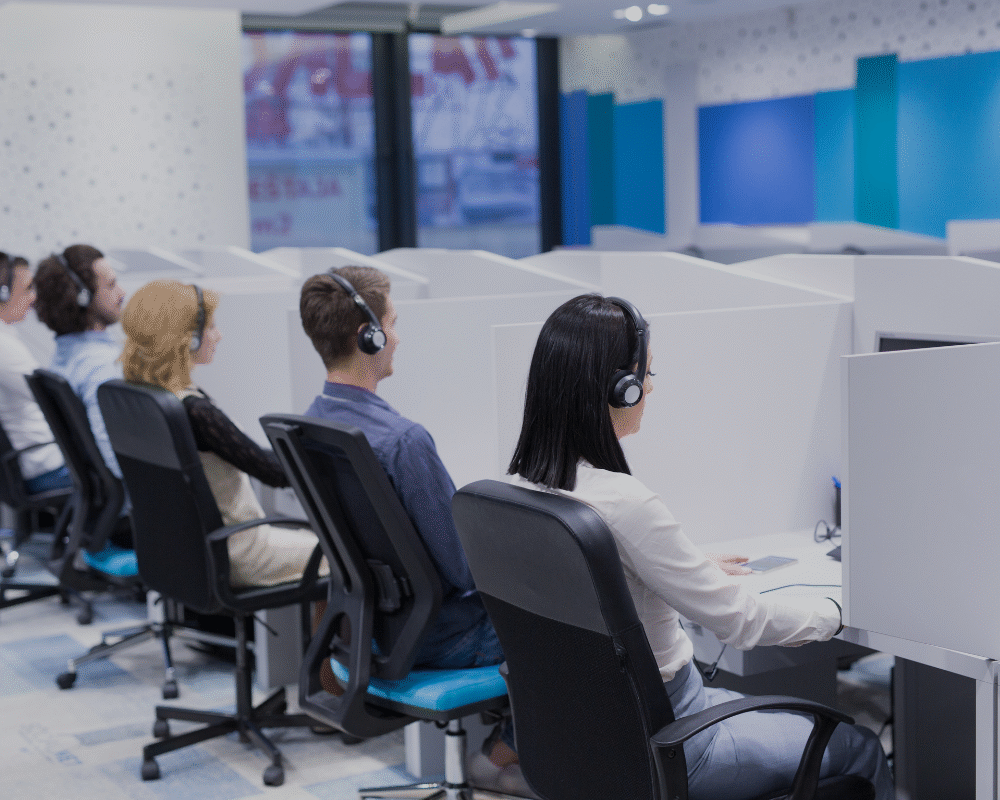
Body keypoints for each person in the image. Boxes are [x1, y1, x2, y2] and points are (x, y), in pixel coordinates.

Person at [507, 294, 894, 800]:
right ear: (620, 390)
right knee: (860, 745)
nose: (649, 389)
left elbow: (591, 584)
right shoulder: (624, 501)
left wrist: (677, 568)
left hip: (578, 733)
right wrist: (840, 610)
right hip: (676, 736)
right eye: (646, 376)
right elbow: (743, 622)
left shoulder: (519, 487)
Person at [299, 266, 528, 793]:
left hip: (367, 631)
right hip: (440, 638)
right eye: (392, 324)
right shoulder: (403, 442)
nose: (397, 337)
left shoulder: (311, 423)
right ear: (369, 336)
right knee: (568, 624)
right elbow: (462, 569)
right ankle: (502, 755)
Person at [119, 279, 328, 589]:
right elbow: (274, 473)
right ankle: (327, 639)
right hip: (240, 552)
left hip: (184, 550)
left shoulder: (144, 398)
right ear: (187, 339)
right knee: (345, 555)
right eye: (212, 326)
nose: (219, 335)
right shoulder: (196, 411)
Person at [33, 245, 127, 482]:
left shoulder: (68, 354)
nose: (122, 292)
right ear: (82, 296)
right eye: (111, 285)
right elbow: (116, 461)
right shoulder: (100, 367)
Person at [0, 253, 71, 494]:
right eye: (28, 289)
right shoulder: (3, 345)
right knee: (118, 476)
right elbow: (55, 402)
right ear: (2, 293)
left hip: (27, 462)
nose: (33, 298)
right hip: (43, 466)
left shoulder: (6, 337)